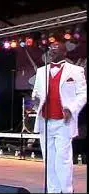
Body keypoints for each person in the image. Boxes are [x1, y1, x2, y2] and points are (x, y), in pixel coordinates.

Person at [32, 41, 87, 193]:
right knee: (49, 159)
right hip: (45, 121)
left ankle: (67, 190)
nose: (51, 52)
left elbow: (83, 94)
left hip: (64, 121)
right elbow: (36, 93)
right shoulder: (41, 71)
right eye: (50, 50)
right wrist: (36, 101)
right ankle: (53, 190)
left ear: (64, 53)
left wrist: (71, 109)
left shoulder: (76, 71)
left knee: (63, 159)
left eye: (55, 50)